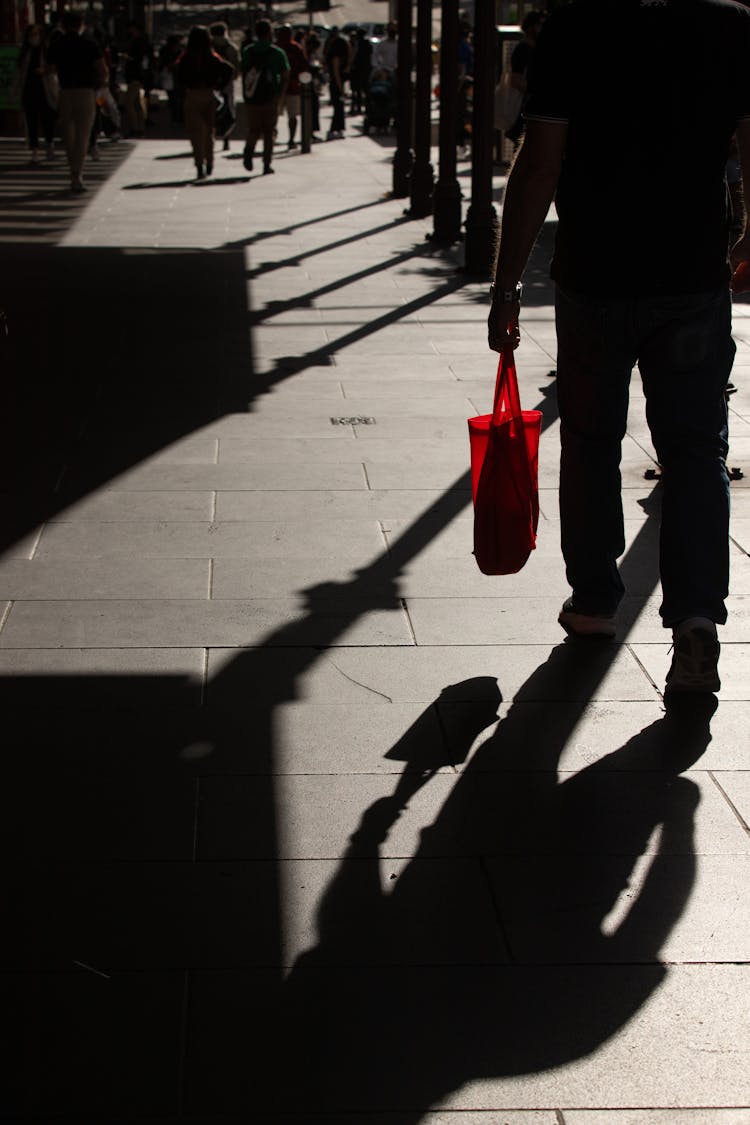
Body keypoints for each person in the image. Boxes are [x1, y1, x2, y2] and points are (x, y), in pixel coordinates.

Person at [488, 0, 750, 695]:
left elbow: (538, 167)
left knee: (592, 439)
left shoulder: (577, 26)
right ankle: (696, 617)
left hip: (593, 277)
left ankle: (595, 600)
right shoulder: (728, 25)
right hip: (691, 277)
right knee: (696, 453)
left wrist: (507, 285)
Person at [46, 11, 106, 193]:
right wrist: (101, 86)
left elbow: (50, 69)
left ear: (63, 26)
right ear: (81, 24)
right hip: (86, 92)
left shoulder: (56, 44)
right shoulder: (90, 43)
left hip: (65, 93)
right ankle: (77, 174)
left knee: (69, 136)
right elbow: (102, 69)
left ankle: (73, 171)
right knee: (83, 136)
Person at [177, 25, 234, 180]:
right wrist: (219, 87)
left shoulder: (186, 57)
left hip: (193, 94)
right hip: (209, 94)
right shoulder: (212, 56)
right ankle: (210, 162)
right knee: (209, 131)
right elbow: (229, 69)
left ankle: (199, 164)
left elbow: (178, 74)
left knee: (195, 133)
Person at [241, 19, 289, 174]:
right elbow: (286, 74)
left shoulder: (248, 51)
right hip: (271, 97)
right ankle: (266, 163)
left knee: (253, 129)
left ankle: (249, 150)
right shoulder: (277, 52)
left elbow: (244, 73)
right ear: (269, 33)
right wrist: (280, 94)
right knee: (269, 131)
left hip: (252, 97)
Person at [15, 23, 57, 165]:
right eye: (32, 35)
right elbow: (20, 73)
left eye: (36, 34)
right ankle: (34, 150)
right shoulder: (25, 52)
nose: (34, 38)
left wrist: (45, 70)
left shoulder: (47, 50)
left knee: (47, 119)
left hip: (45, 89)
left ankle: (50, 145)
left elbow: (55, 68)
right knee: (31, 121)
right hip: (29, 90)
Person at [504, 9, 545, 148]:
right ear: (530, 26)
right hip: (523, 111)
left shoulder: (533, 48)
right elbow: (515, 79)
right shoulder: (523, 49)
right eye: (539, 24)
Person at [275, 24, 308, 150]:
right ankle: (291, 140)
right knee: (292, 116)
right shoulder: (296, 48)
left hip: (277, 87)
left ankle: (273, 136)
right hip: (292, 87)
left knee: (274, 115)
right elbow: (304, 67)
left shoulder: (276, 48)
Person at [210, 22, 239, 150]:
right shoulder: (231, 48)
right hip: (227, 84)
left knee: (211, 109)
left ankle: (212, 136)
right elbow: (237, 68)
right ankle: (226, 138)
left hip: (211, 84)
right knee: (228, 109)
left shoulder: (209, 47)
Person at [122, 21, 152, 136]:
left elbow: (137, 59)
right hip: (138, 75)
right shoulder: (142, 42)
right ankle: (140, 126)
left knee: (129, 102)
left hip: (135, 75)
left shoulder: (138, 42)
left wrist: (127, 58)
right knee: (136, 103)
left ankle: (135, 127)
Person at [324, 26, 348, 139]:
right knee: (338, 107)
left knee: (339, 107)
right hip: (336, 83)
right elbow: (336, 72)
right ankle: (334, 129)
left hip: (337, 82)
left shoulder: (332, 48)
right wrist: (341, 88)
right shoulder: (336, 56)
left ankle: (338, 128)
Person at [349, 28, 373, 116]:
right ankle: (366, 108)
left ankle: (357, 107)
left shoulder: (357, 44)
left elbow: (353, 56)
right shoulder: (368, 44)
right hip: (365, 69)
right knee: (365, 90)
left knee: (356, 90)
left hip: (357, 70)